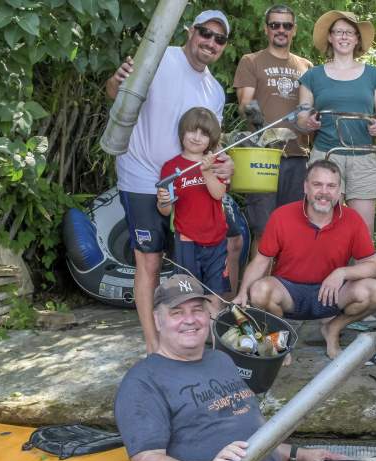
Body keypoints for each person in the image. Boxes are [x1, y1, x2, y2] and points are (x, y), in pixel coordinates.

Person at [114, 275, 343, 461]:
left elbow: (248, 437)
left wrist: (299, 455)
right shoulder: (142, 382)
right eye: (177, 312)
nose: (190, 320)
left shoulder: (221, 359)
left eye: (197, 310)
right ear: (157, 319)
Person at [105, 10, 235, 353]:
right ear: (191, 32)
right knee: (148, 260)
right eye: (205, 33)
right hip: (143, 179)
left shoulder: (215, 90)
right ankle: (153, 344)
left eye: (219, 39)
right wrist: (117, 82)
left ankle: (197, 338)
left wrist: (225, 165)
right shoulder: (160, 58)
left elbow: (214, 142)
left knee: (198, 259)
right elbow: (115, 93)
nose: (210, 42)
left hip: (191, 189)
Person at [233, 159, 376, 359]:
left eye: (331, 186)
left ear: (339, 190)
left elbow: (372, 266)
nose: (324, 192)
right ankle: (281, 339)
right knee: (259, 291)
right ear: (306, 187)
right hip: (289, 292)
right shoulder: (282, 216)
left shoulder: (351, 219)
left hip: (330, 293)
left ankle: (332, 329)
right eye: (317, 185)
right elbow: (261, 261)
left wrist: (342, 272)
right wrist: (242, 292)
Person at [297, 10, 376, 236]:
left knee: (363, 230)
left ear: (357, 39)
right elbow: (301, 118)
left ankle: (362, 272)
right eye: (339, 32)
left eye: (349, 32)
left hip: (364, 157)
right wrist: (308, 122)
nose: (344, 36)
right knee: (321, 226)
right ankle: (321, 271)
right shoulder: (312, 76)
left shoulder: (374, 75)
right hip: (326, 156)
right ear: (330, 37)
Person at [234, 4, 314, 254]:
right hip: (263, 157)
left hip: (299, 157)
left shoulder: (307, 66)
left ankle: (285, 290)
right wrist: (262, 128)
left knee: (296, 229)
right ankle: (258, 292)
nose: (281, 30)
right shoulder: (251, 61)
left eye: (287, 25)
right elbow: (245, 103)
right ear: (266, 29)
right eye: (275, 25)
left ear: (294, 30)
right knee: (264, 231)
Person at [157, 107, 229, 312]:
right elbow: (165, 211)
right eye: (192, 131)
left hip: (216, 239)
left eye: (204, 133)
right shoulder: (170, 167)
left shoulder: (217, 162)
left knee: (215, 295)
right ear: (182, 133)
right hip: (187, 240)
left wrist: (206, 172)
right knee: (190, 295)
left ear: (211, 138)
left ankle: (216, 339)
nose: (197, 138)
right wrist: (163, 201)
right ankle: (194, 337)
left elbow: (218, 194)